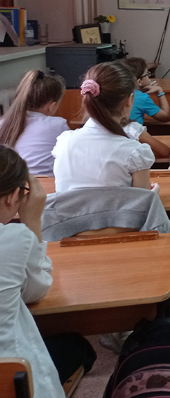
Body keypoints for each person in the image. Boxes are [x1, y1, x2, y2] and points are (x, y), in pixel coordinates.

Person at [0, 147, 67, 398]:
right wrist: (32, 223)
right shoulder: (15, 238)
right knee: (76, 347)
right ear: (12, 196)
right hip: (11, 376)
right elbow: (36, 291)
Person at [52, 61, 155, 192]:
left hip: (67, 207)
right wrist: (153, 193)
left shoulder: (63, 142)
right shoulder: (135, 152)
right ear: (129, 100)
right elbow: (143, 201)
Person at [0, 70, 67, 176]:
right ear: (52, 106)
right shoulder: (58, 125)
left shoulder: (3, 123)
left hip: (10, 184)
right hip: (45, 183)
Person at [123, 57, 170, 124]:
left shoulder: (111, 92)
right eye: (147, 74)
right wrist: (160, 91)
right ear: (139, 81)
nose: (149, 77)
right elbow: (166, 117)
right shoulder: (141, 97)